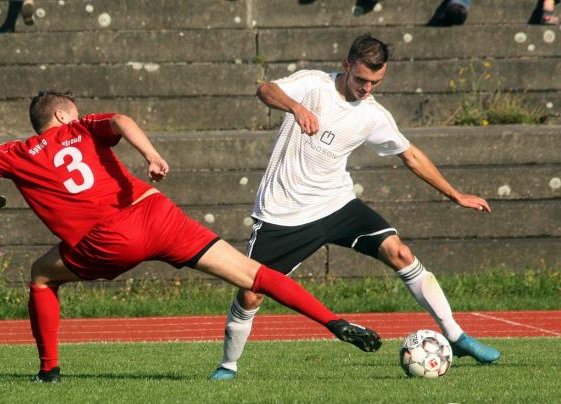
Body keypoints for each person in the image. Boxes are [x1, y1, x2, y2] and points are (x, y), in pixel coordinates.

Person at [0, 91, 383, 383]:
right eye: (73, 111)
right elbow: (121, 119)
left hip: (109, 242)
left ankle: (49, 371)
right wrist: (152, 155)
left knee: (42, 275)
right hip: (155, 212)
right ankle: (334, 321)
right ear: (62, 115)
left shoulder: (17, 152)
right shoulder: (80, 129)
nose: (76, 117)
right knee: (252, 274)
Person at [209, 34, 501, 381]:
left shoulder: (373, 115)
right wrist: (297, 108)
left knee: (401, 253)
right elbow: (265, 89)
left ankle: (456, 336)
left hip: (337, 204)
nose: (366, 88)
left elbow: (410, 155)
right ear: (346, 65)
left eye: (375, 82)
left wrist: (455, 194)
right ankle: (228, 366)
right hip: (283, 212)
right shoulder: (313, 84)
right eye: (361, 79)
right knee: (251, 293)